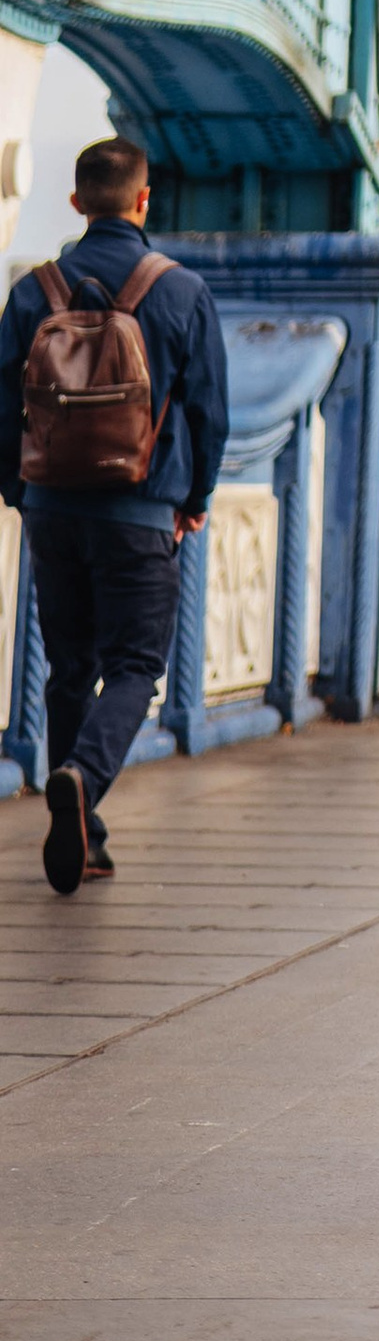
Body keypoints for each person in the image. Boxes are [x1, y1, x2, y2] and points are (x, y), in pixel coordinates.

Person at [0, 136, 229, 896]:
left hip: (53, 509)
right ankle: (81, 776)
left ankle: (84, 836)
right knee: (135, 666)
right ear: (144, 200)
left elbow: (4, 405)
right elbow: (209, 414)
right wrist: (193, 500)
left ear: (75, 203)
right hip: (139, 510)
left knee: (69, 669)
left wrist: (18, 489)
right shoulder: (180, 290)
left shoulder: (33, 293)